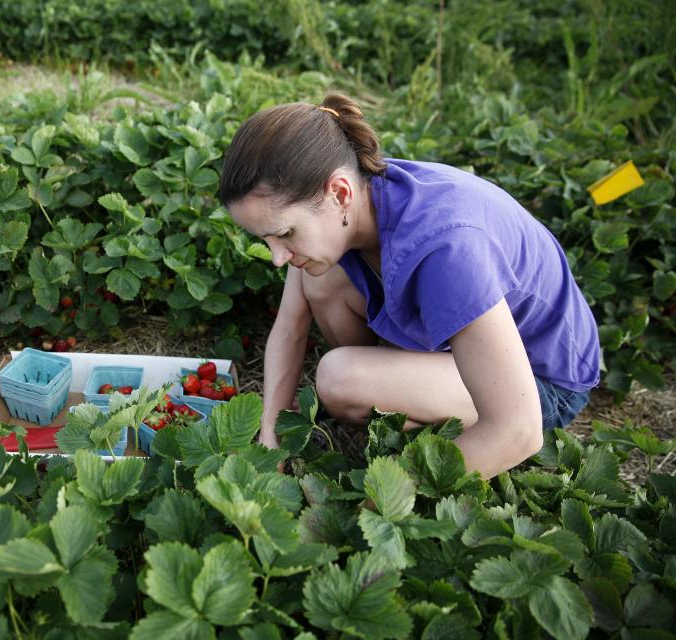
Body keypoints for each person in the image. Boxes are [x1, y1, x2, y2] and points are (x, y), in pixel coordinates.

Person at [218, 91, 601, 479]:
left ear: (339, 193)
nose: (277, 257)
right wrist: (271, 435)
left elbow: (518, 430)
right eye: (266, 239)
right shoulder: (359, 195)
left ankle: (375, 395)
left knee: (340, 378)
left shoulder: (445, 249)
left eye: (284, 233)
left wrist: (385, 499)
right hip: (481, 344)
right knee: (319, 280)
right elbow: (290, 327)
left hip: (539, 383)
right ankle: (384, 392)